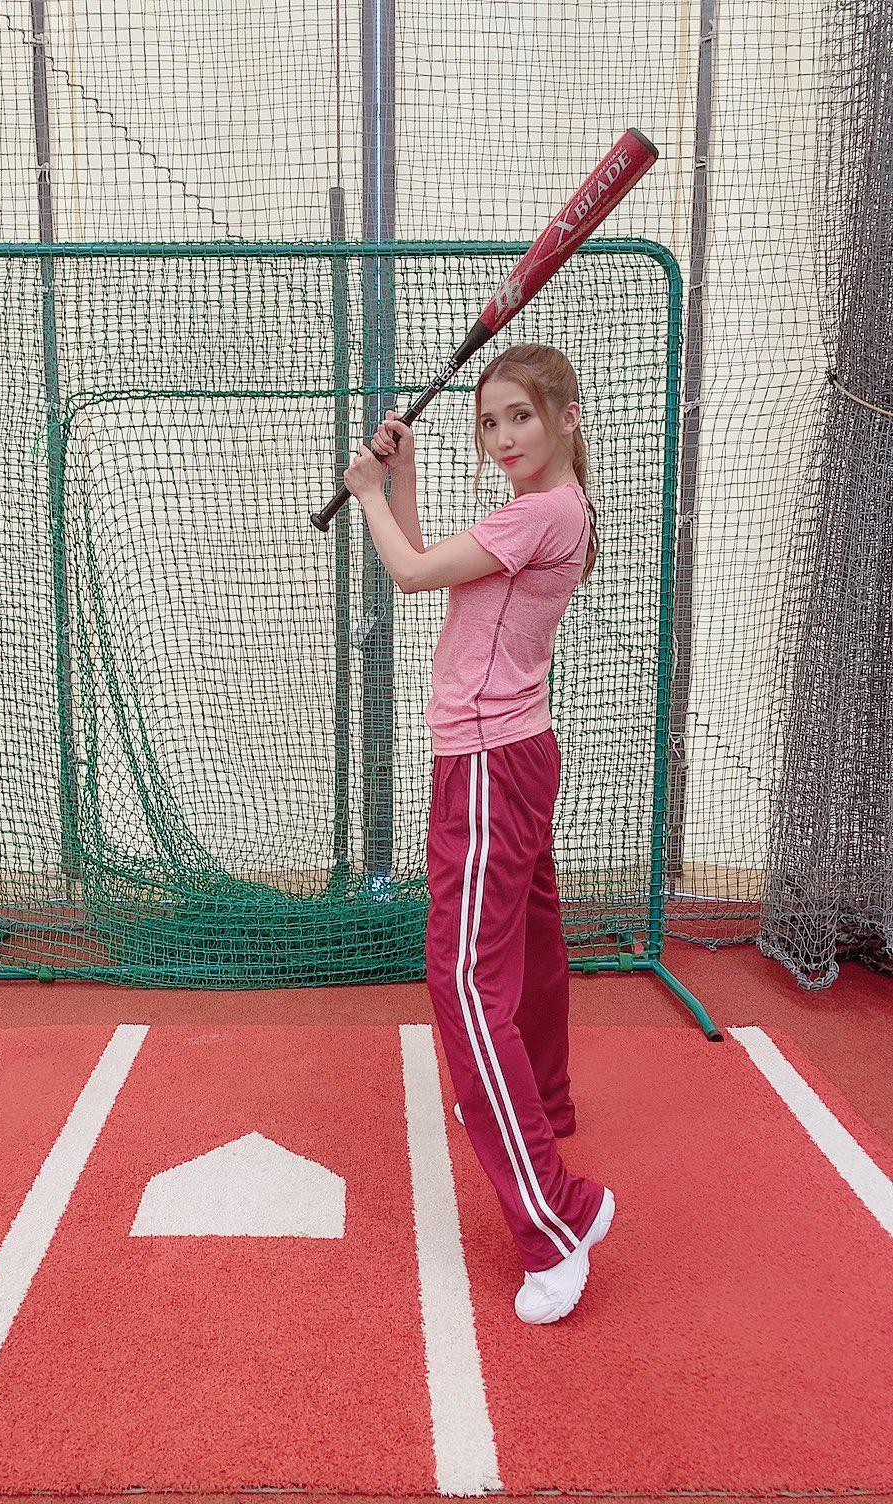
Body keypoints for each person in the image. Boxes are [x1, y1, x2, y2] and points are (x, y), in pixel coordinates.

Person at [341, 342, 615, 1325]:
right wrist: (401, 479)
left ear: (567, 418)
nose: (503, 436)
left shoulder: (540, 513)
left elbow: (411, 572)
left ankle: (557, 1219)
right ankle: (543, 1097)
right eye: (490, 422)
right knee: (531, 947)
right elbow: (436, 566)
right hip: (518, 752)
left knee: (463, 980)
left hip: (490, 765)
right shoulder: (552, 512)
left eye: (522, 416)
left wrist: (365, 493)